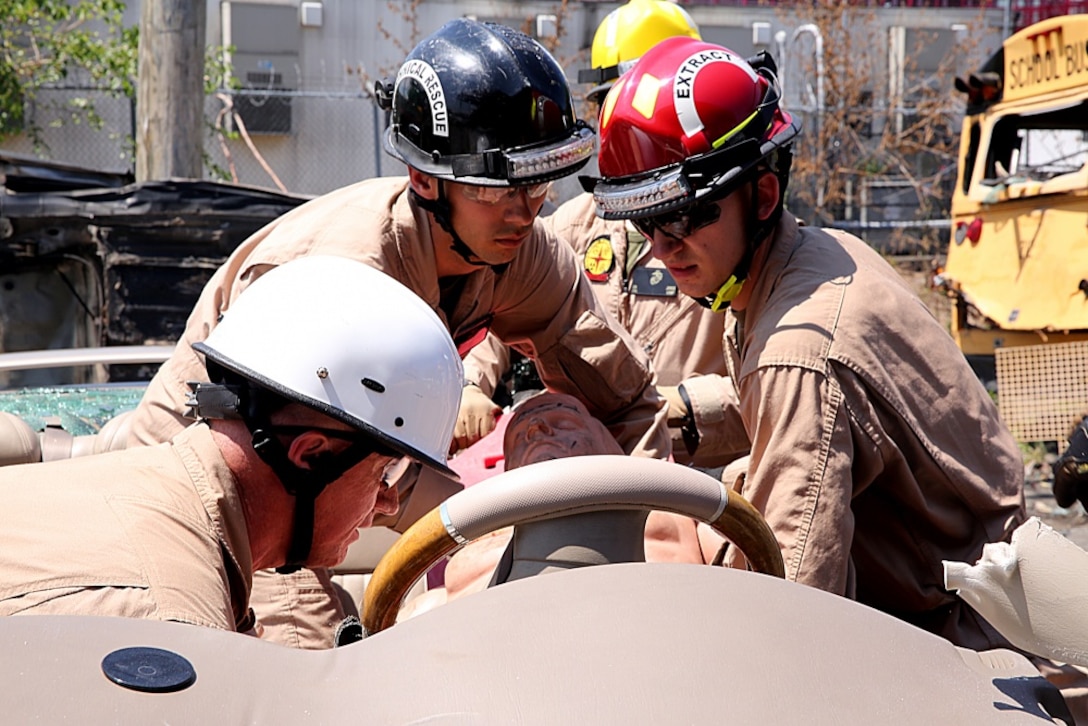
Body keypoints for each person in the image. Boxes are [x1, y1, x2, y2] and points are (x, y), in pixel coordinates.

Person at [124, 19, 668, 648]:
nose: (529, 210)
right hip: (234, 482)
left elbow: (619, 395)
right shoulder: (341, 274)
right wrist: (483, 519)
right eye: (501, 188)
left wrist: (656, 542)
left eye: (541, 181)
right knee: (305, 667)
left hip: (327, 486)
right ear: (425, 180)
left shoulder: (519, 250)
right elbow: (308, 467)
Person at [589, 36, 1026, 653]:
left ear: (762, 196)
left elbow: (791, 609)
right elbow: (776, 405)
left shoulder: (798, 347)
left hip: (960, 647)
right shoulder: (810, 257)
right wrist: (668, 417)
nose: (659, 247)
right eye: (644, 221)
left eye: (682, 217)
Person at [0, 256, 463, 631]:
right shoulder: (169, 622)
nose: (386, 504)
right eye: (385, 473)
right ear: (312, 454)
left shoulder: (152, 496)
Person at [456, 1, 747, 469]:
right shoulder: (571, 226)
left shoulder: (724, 229)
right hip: (581, 467)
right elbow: (506, 299)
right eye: (615, 102)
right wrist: (472, 383)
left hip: (698, 481)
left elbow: (765, 386)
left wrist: (682, 405)